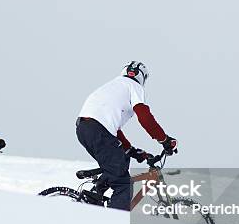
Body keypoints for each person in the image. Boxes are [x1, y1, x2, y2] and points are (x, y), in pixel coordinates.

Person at [76, 62, 178, 210]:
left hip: (85, 129)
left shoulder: (114, 85)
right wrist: (164, 139)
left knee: (118, 164)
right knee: (124, 184)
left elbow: (113, 130)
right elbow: (144, 117)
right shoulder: (134, 87)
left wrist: (132, 151)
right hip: (98, 131)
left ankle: (92, 200)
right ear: (143, 77)